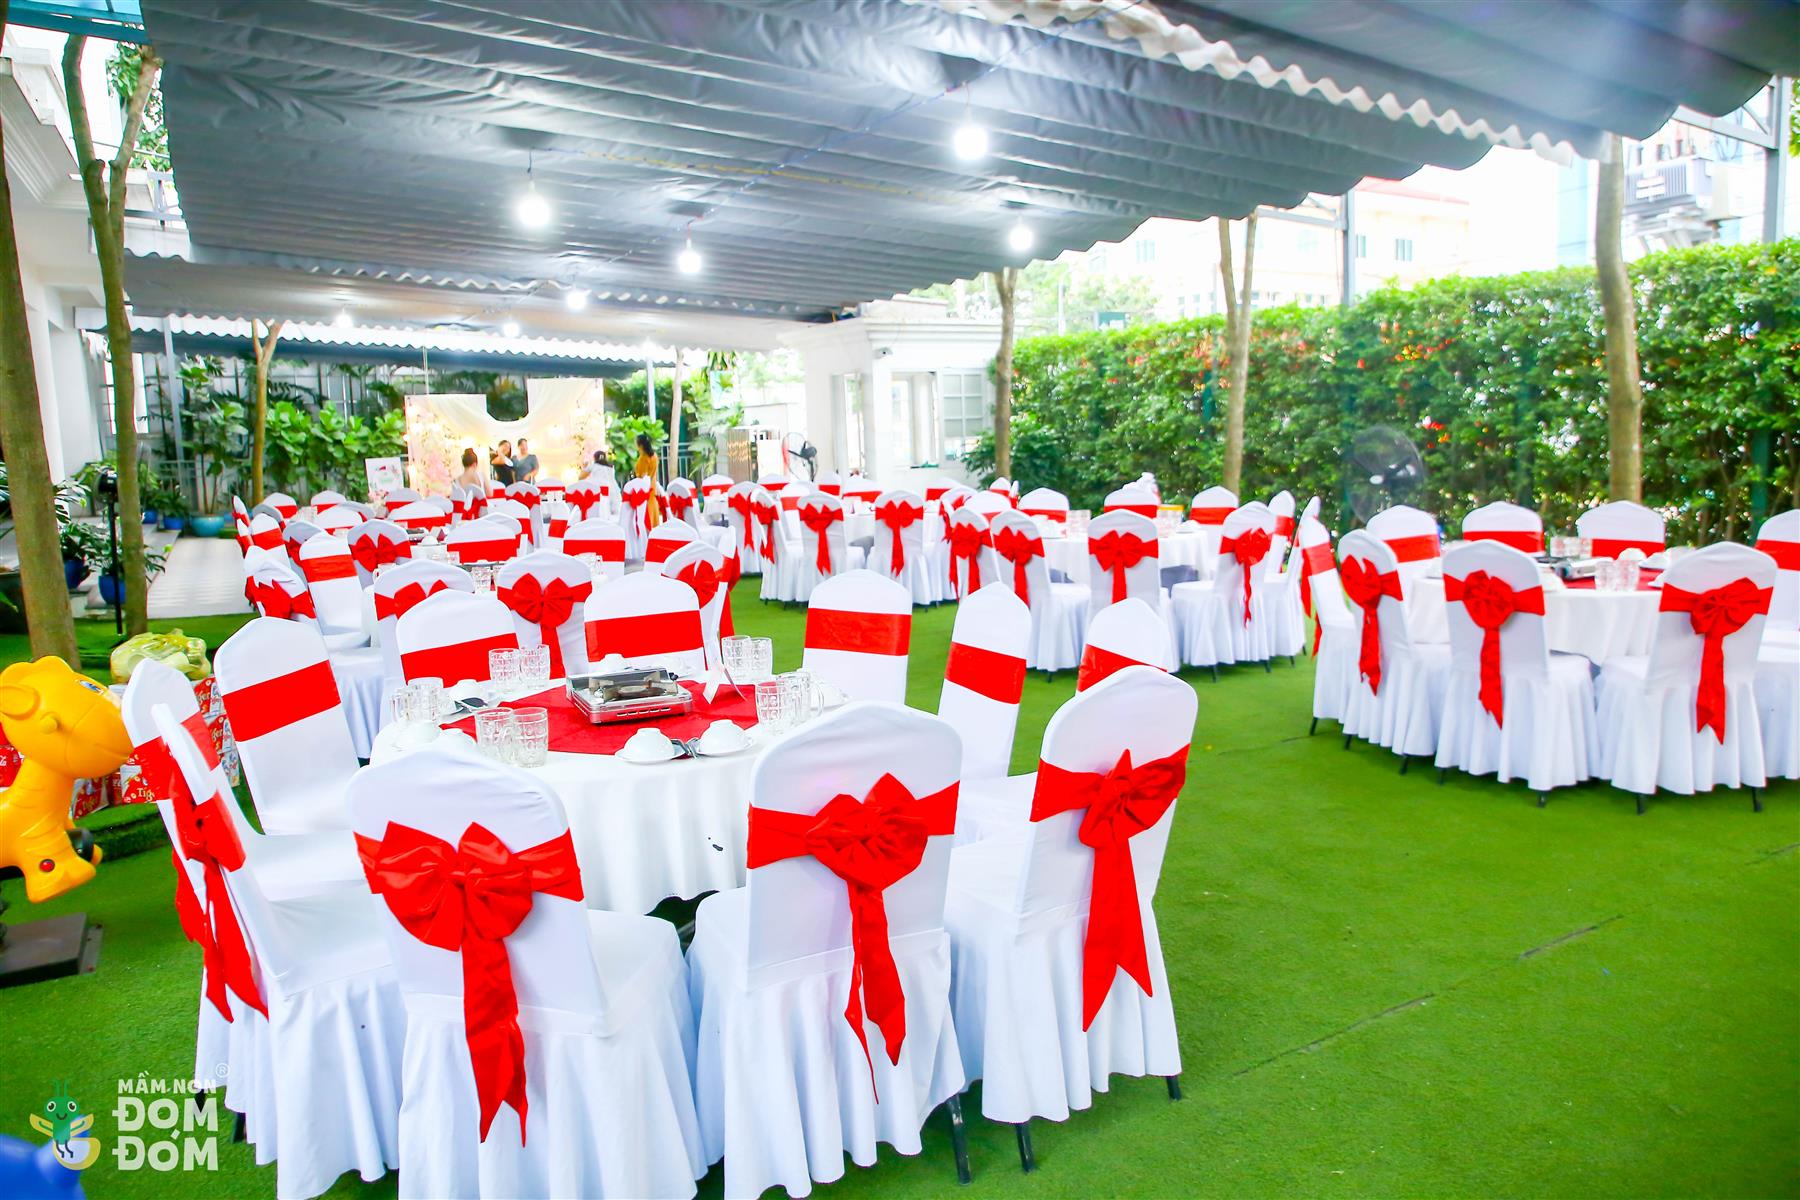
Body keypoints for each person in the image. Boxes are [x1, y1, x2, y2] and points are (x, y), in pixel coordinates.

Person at [633, 432, 662, 526]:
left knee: (646, 512)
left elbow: (642, 476)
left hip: (644, 490)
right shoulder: (654, 456)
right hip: (652, 487)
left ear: (640, 445)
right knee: (653, 510)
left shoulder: (643, 459)